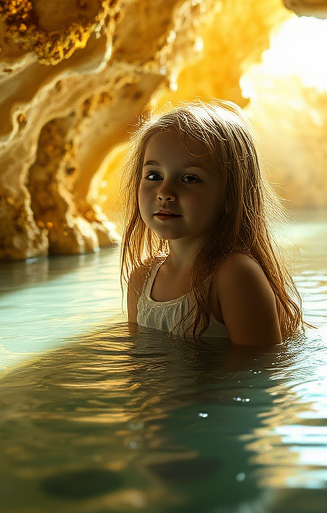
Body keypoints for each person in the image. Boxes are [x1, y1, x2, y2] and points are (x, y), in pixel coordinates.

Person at [121, 100, 303, 346]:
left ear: (231, 195)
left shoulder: (234, 276)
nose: (165, 192)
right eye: (154, 176)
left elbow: (257, 377)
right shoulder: (142, 280)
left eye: (190, 178)